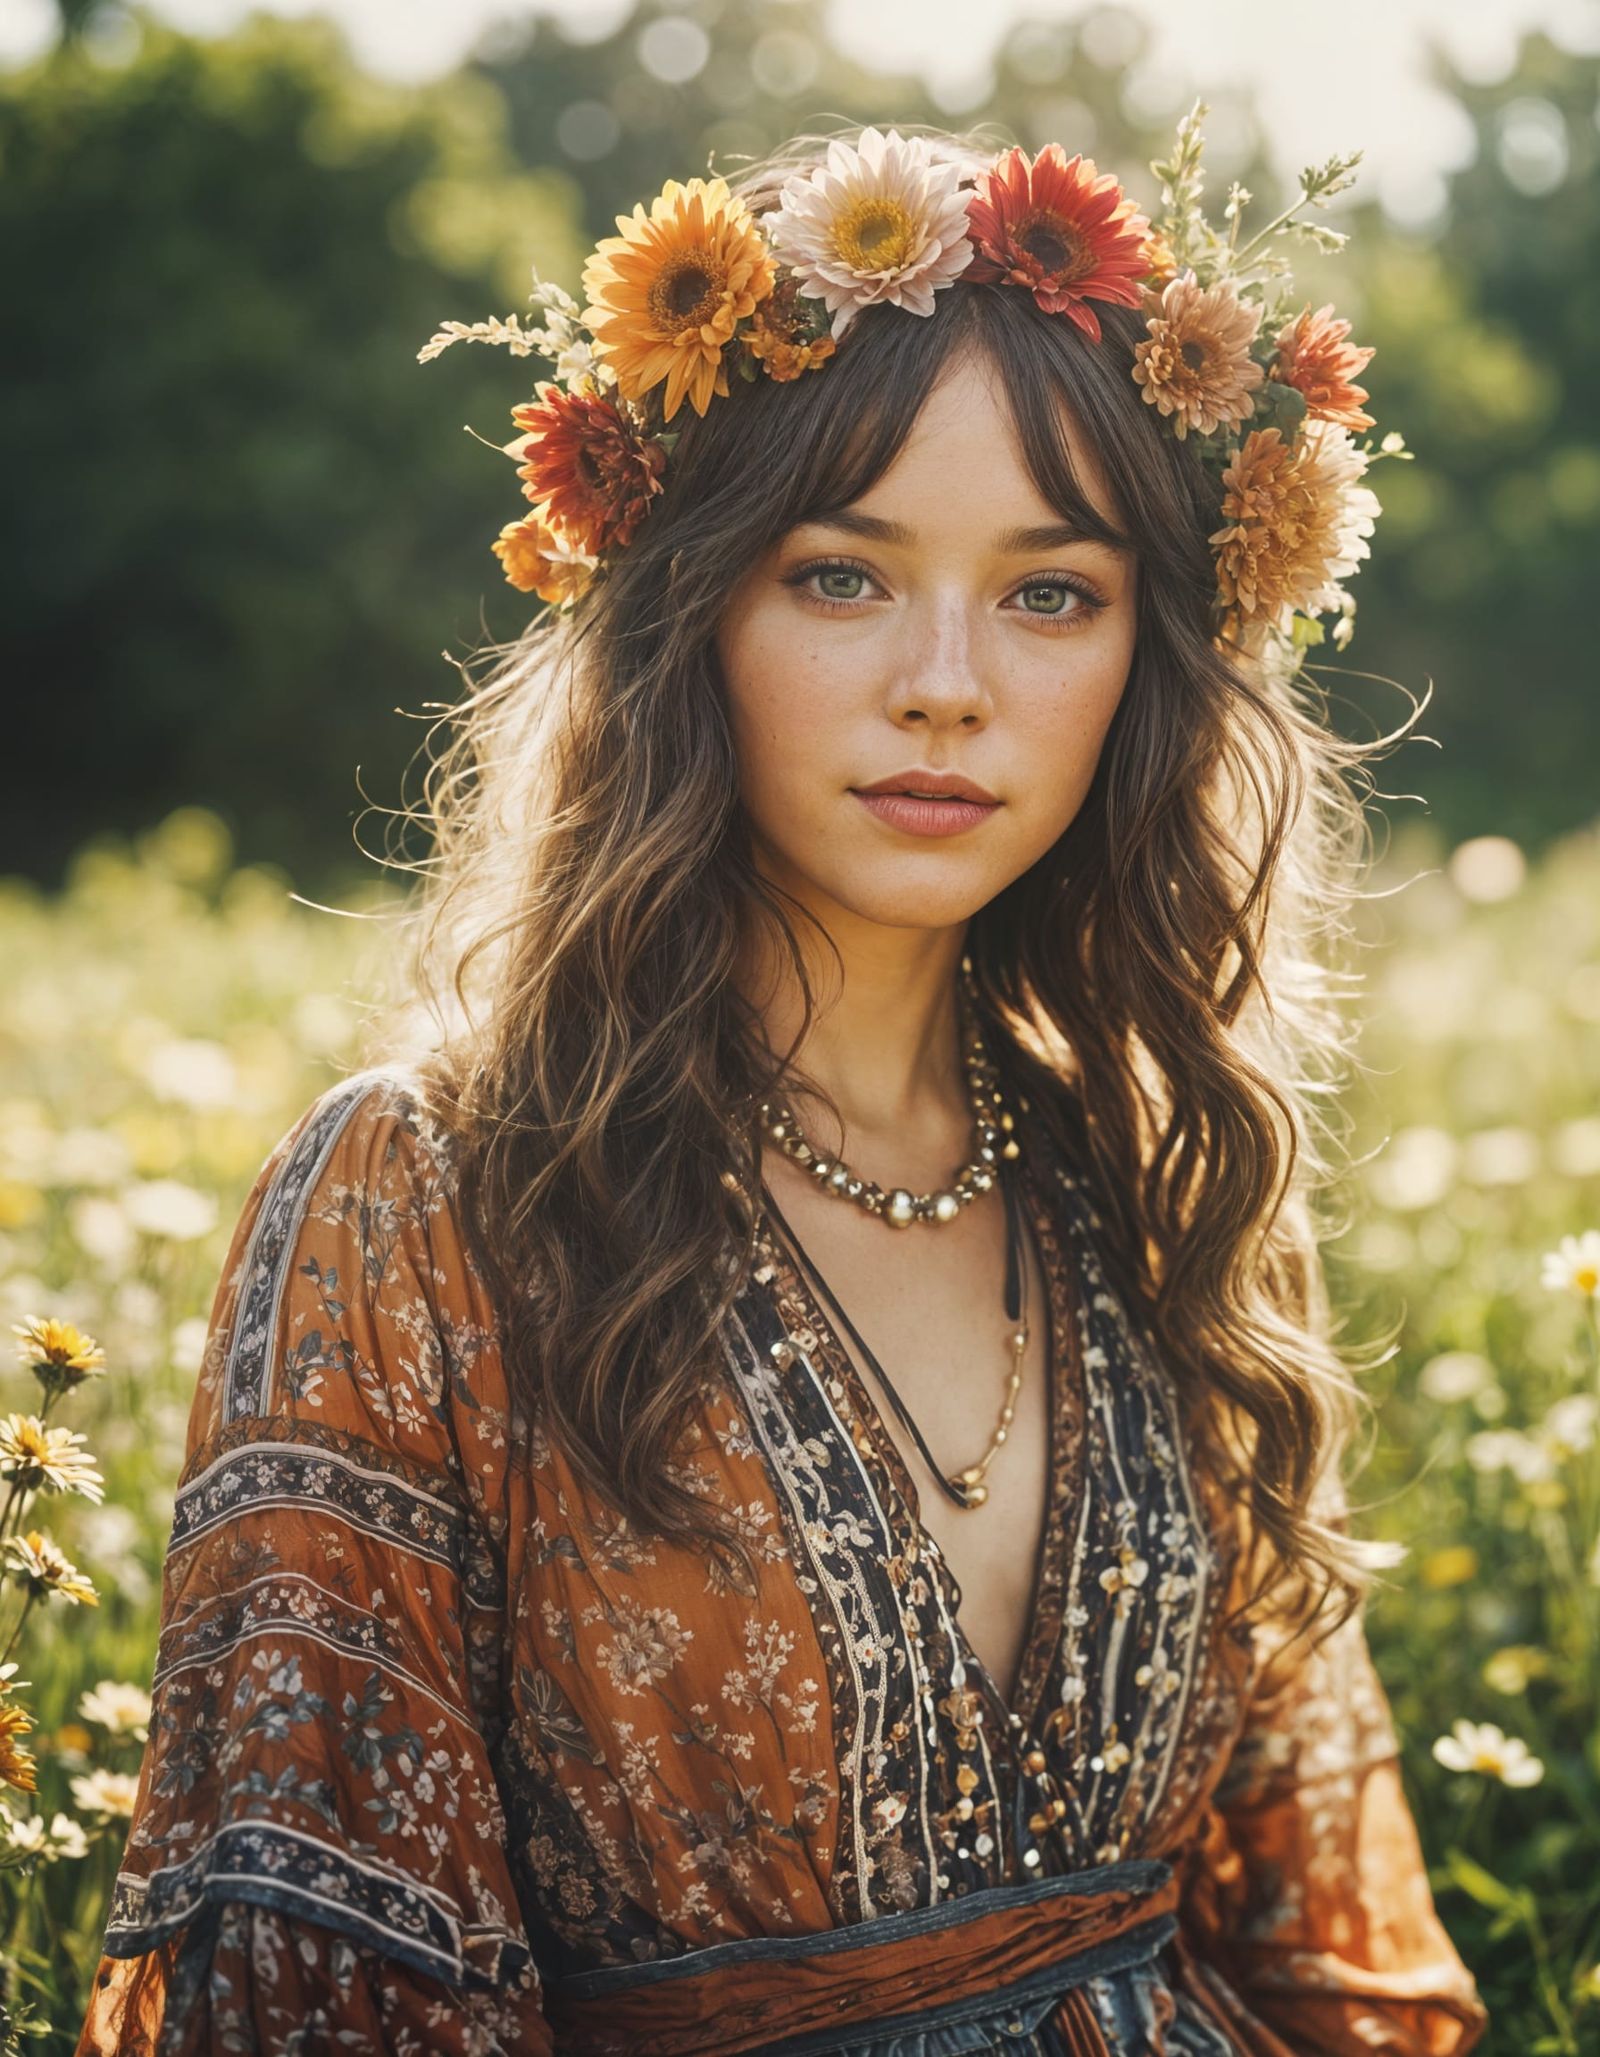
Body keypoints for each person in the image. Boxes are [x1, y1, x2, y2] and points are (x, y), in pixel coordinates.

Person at [78, 117, 1489, 2055]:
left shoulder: (1155, 1181)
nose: (943, 683)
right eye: (839, 578)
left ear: (1146, 660)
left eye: (1048, 594)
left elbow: (1314, 1940)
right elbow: (321, 1946)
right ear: (690, 619)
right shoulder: (427, 1197)